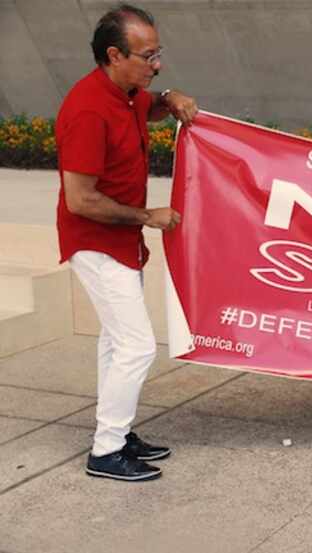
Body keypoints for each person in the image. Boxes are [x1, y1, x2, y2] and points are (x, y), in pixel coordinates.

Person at [56, 3, 198, 482]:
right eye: (148, 56)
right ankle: (106, 450)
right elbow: (80, 200)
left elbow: (153, 105)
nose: (156, 65)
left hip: (122, 238)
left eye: (159, 53)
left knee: (116, 342)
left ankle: (118, 429)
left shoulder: (129, 91)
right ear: (114, 55)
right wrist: (147, 217)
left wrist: (172, 97)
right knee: (136, 345)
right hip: (95, 240)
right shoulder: (87, 110)